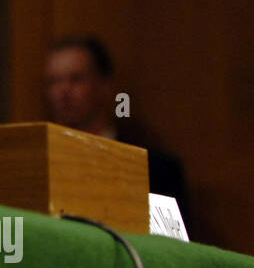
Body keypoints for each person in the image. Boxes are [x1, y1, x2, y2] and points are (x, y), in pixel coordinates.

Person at [43, 35, 190, 225]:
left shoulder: (155, 170)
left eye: (76, 79)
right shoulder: (41, 169)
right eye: (54, 81)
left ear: (104, 86)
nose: (63, 91)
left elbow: (172, 247)